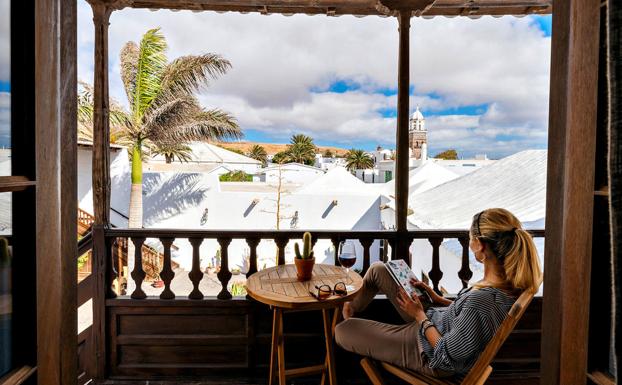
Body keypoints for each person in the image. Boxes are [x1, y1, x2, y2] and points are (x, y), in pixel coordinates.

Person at [335, 208, 542, 378]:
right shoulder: (505, 283)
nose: (469, 243)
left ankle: (350, 319)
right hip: (438, 322)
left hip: (426, 350)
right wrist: (437, 299)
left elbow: (446, 356)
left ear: (480, 245)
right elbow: (469, 321)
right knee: (379, 269)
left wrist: (419, 315)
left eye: (470, 238)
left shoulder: (484, 299)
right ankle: (352, 308)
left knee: (343, 331)